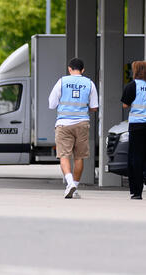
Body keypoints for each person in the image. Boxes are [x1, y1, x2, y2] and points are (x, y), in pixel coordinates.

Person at [48, 57, 98, 199]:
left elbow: (51, 104)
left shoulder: (62, 82)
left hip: (63, 123)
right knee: (79, 157)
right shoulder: (89, 83)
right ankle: (74, 188)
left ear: (69, 69)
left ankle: (70, 183)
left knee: (64, 155)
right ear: (83, 70)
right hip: (82, 123)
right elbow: (94, 107)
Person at [121, 60, 146, 200]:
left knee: (135, 157)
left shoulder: (133, 85)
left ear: (136, 71)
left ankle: (136, 192)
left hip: (137, 124)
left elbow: (125, 105)